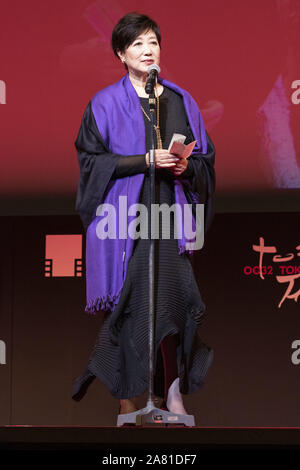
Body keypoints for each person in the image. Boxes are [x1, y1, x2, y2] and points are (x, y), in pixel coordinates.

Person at [72, 12, 216, 417]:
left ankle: (171, 396)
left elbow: (206, 159)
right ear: (121, 53)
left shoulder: (180, 100)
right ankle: (127, 400)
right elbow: (91, 163)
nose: (147, 49)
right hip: (123, 220)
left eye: (152, 41)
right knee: (132, 306)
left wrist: (187, 167)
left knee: (172, 301)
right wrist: (144, 160)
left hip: (169, 216)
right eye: (137, 44)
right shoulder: (103, 104)